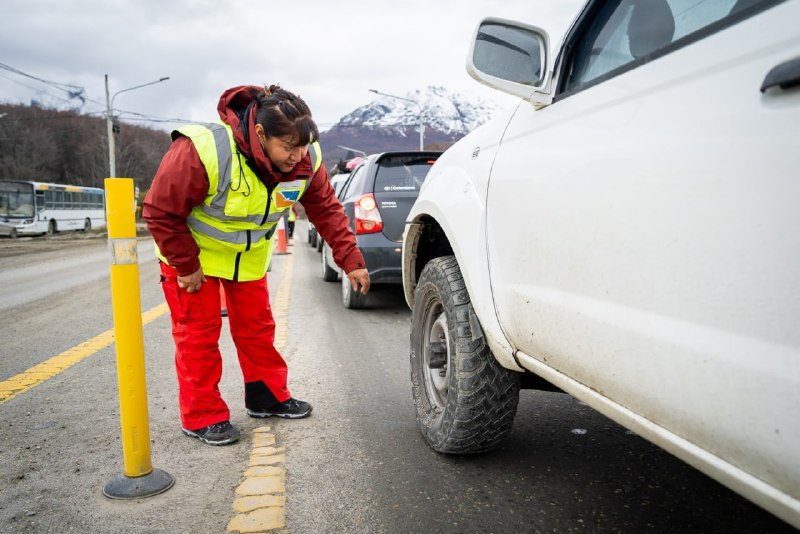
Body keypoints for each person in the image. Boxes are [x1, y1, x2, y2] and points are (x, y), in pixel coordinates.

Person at [143, 84, 370, 446]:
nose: (297, 156)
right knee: (198, 337)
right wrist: (185, 265)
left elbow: (325, 209)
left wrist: (351, 260)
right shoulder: (204, 149)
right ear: (260, 134)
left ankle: (266, 397)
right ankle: (203, 416)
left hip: (245, 262)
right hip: (192, 259)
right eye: (288, 147)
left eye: (301, 146)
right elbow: (160, 211)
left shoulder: (305, 158)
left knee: (257, 331)